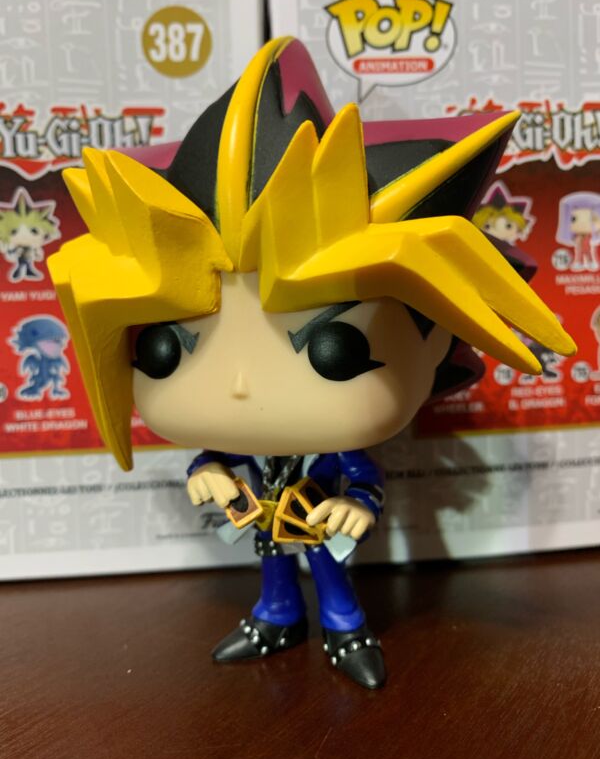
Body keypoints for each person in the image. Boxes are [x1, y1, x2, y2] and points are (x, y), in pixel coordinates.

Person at [48, 37, 575, 689]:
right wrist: (207, 470)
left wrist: (360, 505)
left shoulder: (338, 441)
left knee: (330, 566)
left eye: (334, 349)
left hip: (317, 515)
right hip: (265, 515)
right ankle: (276, 616)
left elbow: (362, 475)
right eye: (165, 347)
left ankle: (345, 627)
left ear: (438, 340)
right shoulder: (238, 438)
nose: (241, 386)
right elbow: (217, 457)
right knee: (273, 563)